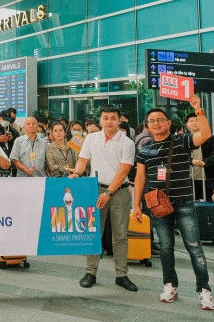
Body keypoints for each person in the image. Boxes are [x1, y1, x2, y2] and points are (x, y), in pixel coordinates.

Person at [133, 98, 214, 310]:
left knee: (194, 247)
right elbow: (140, 178)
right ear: (147, 125)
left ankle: (204, 290)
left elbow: (205, 135)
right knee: (166, 247)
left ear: (169, 123)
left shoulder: (182, 141)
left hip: (184, 202)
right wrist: (137, 205)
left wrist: (198, 111)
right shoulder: (144, 149)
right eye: (152, 121)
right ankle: (170, 285)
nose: (156, 123)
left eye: (161, 120)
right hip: (158, 205)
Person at [70, 106, 137, 292]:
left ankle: (121, 275)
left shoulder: (127, 143)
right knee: (93, 233)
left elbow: (124, 170)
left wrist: (108, 193)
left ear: (119, 121)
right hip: (95, 189)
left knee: (121, 235)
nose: (109, 121)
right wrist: (76, 173)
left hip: (119, 192)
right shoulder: (91, 138)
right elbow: (83, 161)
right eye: (105, 118)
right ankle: (90, 272)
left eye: (113, 118)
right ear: (100, 121)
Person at [184, 112, 214, 201]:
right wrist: (191, 161)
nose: (194, 123)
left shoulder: (211, 138)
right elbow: (181, 156)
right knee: (193, 204)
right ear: (187, 124)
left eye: (197, 120)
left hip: (209, 177)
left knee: (212, 202)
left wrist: (205, 162)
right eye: (191, 121)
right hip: (190, 178)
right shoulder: (184, 139)